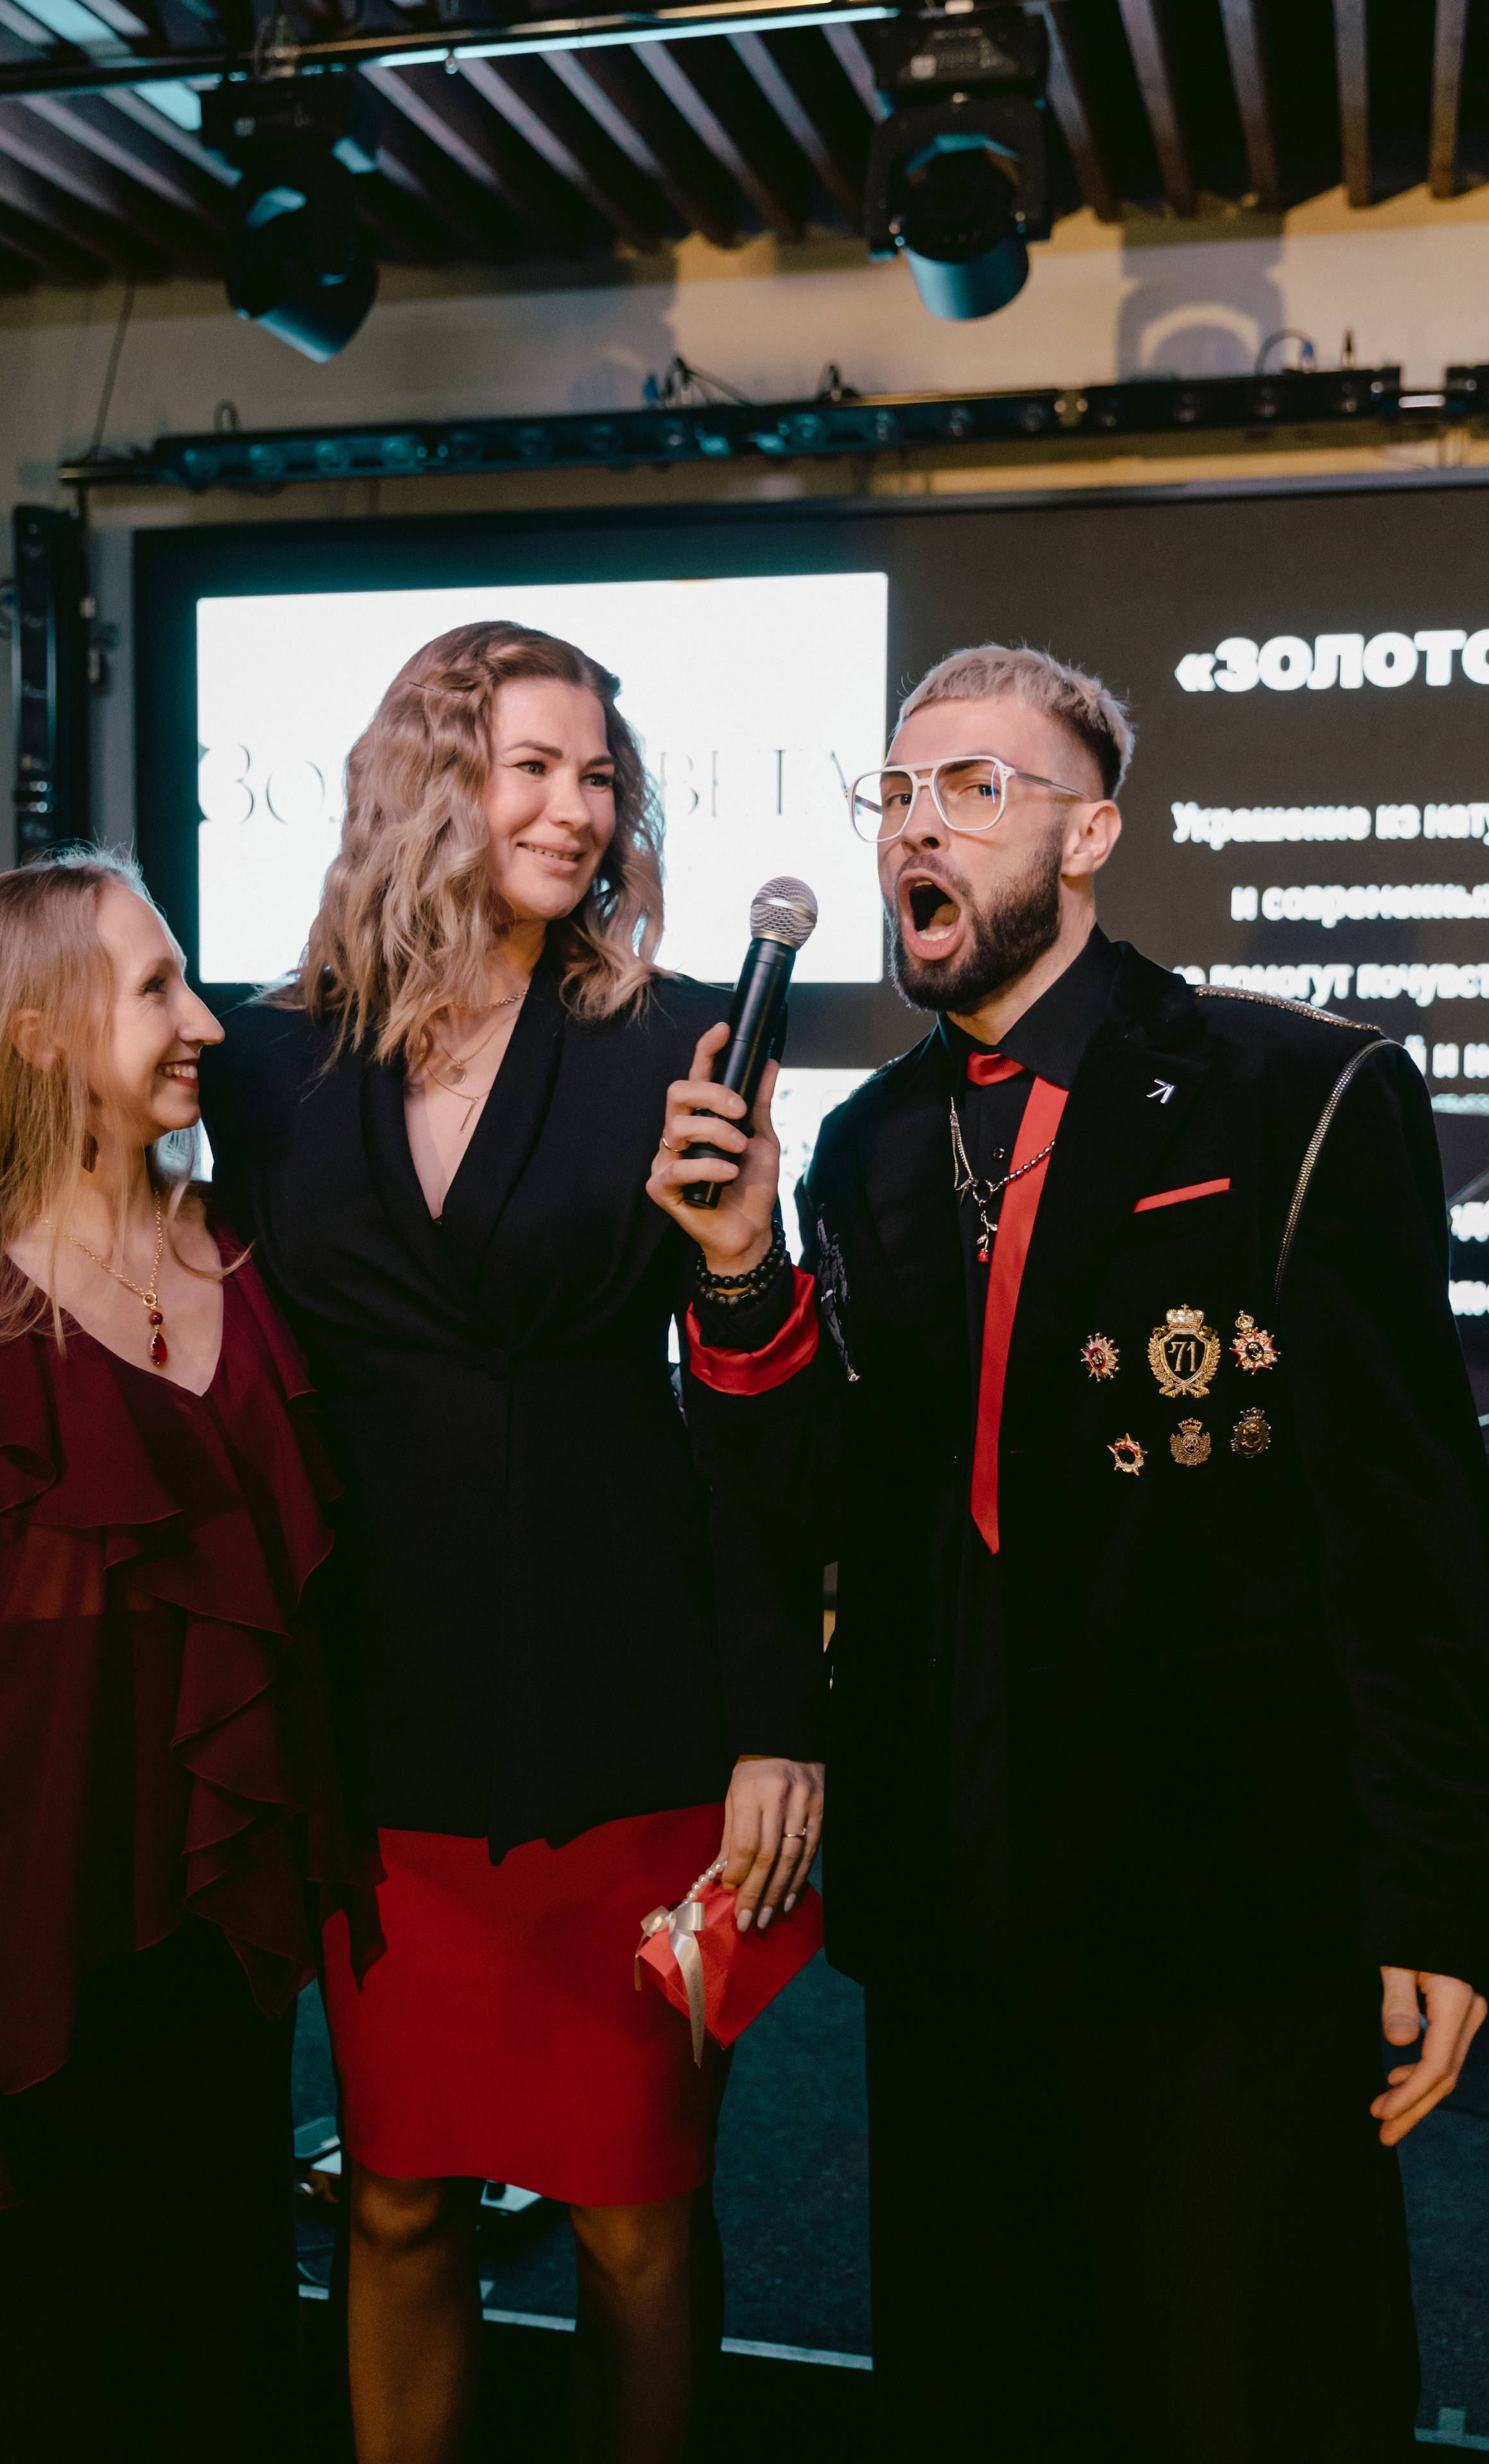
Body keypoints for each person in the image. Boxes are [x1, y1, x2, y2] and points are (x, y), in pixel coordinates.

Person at [649, 643, 1489, 2463]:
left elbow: (1408, 1530)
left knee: (1230, 2382)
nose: (914, 829)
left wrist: (1427, 1891)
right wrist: (734, 1268)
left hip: (1222, 1893)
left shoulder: (1297, 1093)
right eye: (895, 793)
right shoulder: (864, 1149)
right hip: (961, 1892)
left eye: (973, 788)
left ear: (1091, 835)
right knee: (986, 2374)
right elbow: (838, 1502)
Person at [198, 619, 825, 2464]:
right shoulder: (260, 1062)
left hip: (626, 1712)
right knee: (395, 2197)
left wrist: (779, 1711)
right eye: (531, 765)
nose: (577, 807)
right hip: (375, 1729)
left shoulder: (682, 1039)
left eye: (599, 776)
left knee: (638, 2219)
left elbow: (761, 1426)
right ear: (429, 781)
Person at [0, 850, 377, 2464]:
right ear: (27, 1035)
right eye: (153, 988)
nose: (203, 1020)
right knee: (33, 2381)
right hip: (8, 1970)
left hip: (217, 1963)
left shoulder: (243, 1257)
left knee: (212, 2353)